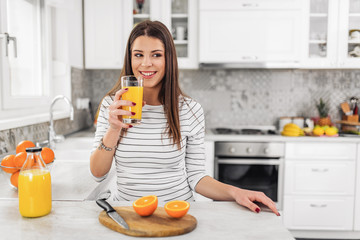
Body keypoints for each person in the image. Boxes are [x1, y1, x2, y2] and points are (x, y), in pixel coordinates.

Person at [90, 20, 280, 216]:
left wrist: (237, 192)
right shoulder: (112, 106)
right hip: (128, 213)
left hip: (176, 214)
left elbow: (196, 176)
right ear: (129, 59)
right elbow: (98, 174)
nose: (146, 63)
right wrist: (114, 129)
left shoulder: (190, 110)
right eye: (138, 55)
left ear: (169, 59)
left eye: (156, 55)